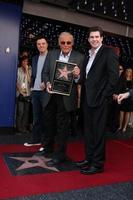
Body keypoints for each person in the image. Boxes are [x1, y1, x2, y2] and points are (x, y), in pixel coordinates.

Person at [76, 26, 119, 175]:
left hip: (100, 100)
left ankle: (98, 164)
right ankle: (89, 159)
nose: (94, 39)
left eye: (97, 37)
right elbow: (85, 79)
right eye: (91, 37)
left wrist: (104, 96)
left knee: (98, 132)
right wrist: (77, 76)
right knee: (88, 131)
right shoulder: (88, 55)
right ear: (88, 39)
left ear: (101, 38)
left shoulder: (108, 53)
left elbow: (114, 77)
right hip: (87, 100)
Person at [41, 32, 84, 166]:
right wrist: (47, 83)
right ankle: (48, 149)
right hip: (51, 95)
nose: (65, 45)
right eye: (63, 42)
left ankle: (60, 155)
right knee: (48, 124)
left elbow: (82, 80)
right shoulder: (52, 54)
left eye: (68, 42)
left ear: (72, 43)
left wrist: (78, 75)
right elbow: (45, 73)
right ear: (59, 43)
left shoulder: (80, 57)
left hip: (66, 98)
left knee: (62, 127)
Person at [24, 35, 48, 146]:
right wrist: (33, 87)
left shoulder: (52, 57)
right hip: (36, 91)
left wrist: (47, 82)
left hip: (46, 92)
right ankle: (36, 140)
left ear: (47, 44)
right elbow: (34, 74)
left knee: (47, 117)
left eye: (43, 43)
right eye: (39, 44)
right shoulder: (34, 58)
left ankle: (46, 142)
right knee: (36, 117)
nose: (41, 46)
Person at [16, 56, 31, 134]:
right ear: (21, 62)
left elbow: (29, 81)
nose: (25, 63)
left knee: (26, 112)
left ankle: (24, 128)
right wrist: (20, 91)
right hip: (20, 93)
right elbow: (16, 82)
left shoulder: (29, 70)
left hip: (27, 94)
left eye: (26, 61)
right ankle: (19, 128)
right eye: (24, 61)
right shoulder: (18, 70)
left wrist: (27, 70)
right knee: (20, 111)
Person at [117, 68, 133, 133]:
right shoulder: (122, 79)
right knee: (121, 113)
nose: (129, 72)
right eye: (128, 71)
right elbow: (119, 88)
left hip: (130, 99)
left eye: (130, 71)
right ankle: (120, 126)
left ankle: (124, 127)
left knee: (128, 113)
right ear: (126, 72)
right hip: (122, 98)